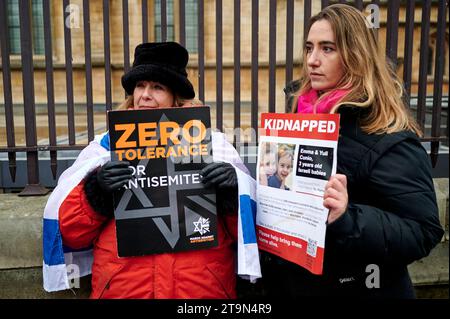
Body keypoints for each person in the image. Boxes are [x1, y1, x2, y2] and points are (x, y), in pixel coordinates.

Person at [42, 42, 260, 298]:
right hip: (125, 289)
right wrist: (96, 192)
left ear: (176, 97)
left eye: (157, 87)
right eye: (140, 86)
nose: (145, 95)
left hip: (199, 291)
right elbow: (70, 235)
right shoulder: (102, 149)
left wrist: (231, 193)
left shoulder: (214, 146)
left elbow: (246, 232)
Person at [260, 4, 444, 298]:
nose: (312, 60)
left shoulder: (388, 135)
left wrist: (348, 218)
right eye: (309, 48)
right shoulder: (298, 119)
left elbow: (423, 231)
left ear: (357, 56)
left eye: (328, 49)